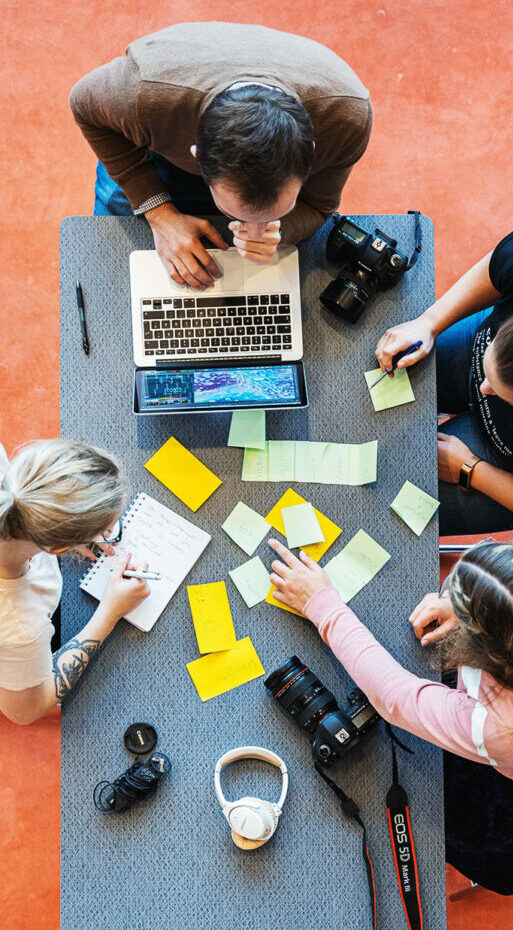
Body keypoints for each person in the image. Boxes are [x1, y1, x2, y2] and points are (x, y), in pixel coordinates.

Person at [267, 536, 513, 893]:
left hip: (500, 804)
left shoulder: (499, 726)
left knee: (459, 822)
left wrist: (322, 606)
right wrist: (465, 611)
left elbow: (395, 698)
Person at [69, 22, 372, 290]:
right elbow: (83, 105)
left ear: (311, 156)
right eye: (241, 218)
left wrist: (282, 232)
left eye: (272, 216)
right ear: (197, 158)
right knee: (110, 277)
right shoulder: (144, 95)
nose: (252, 233)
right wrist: (159, 213)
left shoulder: (346, 120)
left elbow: (319, 205)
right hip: (161, 146)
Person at [0, 439, 149, 725]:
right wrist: (109, 611)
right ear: (57, 547)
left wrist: (68, 527)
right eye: (104, 528)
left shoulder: (15, 487)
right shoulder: (21, 627)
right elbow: (24, 710)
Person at [375, 231, 513, 535]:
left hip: (499, 465)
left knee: (389, 506)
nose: (483, 388)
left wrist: (471, 469)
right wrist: (428, 323)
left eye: (499, 391)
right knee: (379, 367)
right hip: (473, 351)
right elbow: (498, 265)